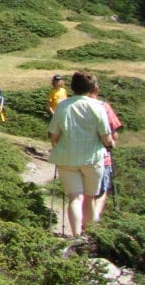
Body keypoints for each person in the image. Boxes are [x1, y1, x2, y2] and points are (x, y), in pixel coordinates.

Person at [48, 71, 114, 237]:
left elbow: (53, 135)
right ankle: (89, 235)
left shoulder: (63, 106)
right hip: (92, 158)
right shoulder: (98, 107)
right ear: (92, 88)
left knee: (74, 198)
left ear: (72, 87)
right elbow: (106, 137)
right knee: (90, 198)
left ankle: (76, 235)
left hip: (66, 158)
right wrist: (110, 144)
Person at [91, 88, 122, 222]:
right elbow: (113, 134)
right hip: (101, 157)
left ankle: (84, 222)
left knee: (83, 194)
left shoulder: (68, 105)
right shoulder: (103, 107)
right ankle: (94, 220)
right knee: (101, 192)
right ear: (96, 90)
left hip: (74, 158)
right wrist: (111, 142)